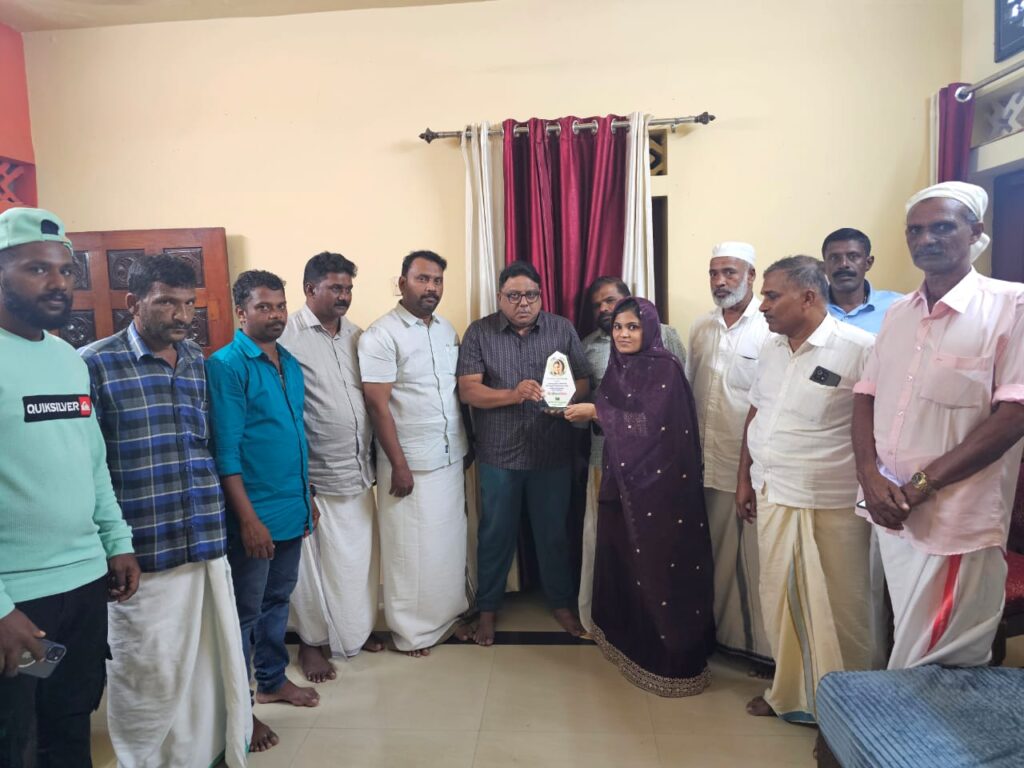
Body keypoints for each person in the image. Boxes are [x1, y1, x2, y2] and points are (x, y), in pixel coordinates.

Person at [81, 254, 250, 766]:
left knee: (205, 661)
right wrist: (111, 545)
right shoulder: (94, 365)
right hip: (142, 553)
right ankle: (146, 759)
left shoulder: (196, 360)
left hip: (202, 542)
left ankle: (204, 752)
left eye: (188, 304)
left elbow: (207, 444)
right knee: (148, 670)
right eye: (166, 303)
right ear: (134, 303)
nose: (181, 315)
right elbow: (86, 466)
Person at [853, 181, 1024, 669]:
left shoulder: (1010, 305)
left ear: (975, 232)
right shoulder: (899, 314)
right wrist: (869, 476)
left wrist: (921, 486)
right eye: (915, 230)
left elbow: (1014, 415)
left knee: (940, 661)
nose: (925, 239)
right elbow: (865, 396)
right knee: (907, 641)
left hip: (954, 518)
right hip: (891, 511)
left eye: (942, 227)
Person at [0, 207, 140, 767]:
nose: (58, 282)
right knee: (15, 739)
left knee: (68, 723)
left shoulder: (66, 358)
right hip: (18, 599)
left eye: (65, 270)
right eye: (37, 269)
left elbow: (92, 461)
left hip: (82, 587)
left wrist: (116, 540)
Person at [737, 256, 874, 724]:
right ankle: (789, 692)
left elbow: (878, 430)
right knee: (779, 598)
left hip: (829, 500)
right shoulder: (772, 347)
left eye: (772, 295)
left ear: (809, 297)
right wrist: (744, 479)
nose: (762, 305)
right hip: (772, 490)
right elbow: (756, 412)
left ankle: (848, 706)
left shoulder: (859, 349)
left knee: (838, 606)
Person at [565, 297, 715, 695]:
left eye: (632, 326)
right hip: (622, 482)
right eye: (618, 327)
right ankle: (628, 645)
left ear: (649, 329)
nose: (623, 334)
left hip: (663, 491)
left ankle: (669, 659)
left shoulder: (665, 367)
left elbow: (654, 424)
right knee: (624, 561)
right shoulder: (620, 366)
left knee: (659, 566)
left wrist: (597, 413)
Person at [207, 269, 319, 752]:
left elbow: (295, 435)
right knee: (245, 613)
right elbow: (226, 451)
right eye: (263, 307)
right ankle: (240, 707)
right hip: (253, 516)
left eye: (279, 306)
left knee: (278, 600)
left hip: (291, 505)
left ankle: (272, 680)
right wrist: (248, 520)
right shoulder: (226, 366)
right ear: (241, 312)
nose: (275, 315)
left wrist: (307, 495)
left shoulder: (288, 361)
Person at [457, 261, 591, 646]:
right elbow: (468, 390)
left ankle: (562, 603)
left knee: (553, 533)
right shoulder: (480, 332)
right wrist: (513, 394)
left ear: (540, 296)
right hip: (499, 454)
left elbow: (583, 379)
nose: (523, 303)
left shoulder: (561, 328)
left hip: (551, 451)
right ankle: (487, 608)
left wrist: (565, 399)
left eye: (531, 295)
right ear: (500, 297)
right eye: (514, 296)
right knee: (495, 533)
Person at [358, 250, 469, 656]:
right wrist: (399, 466)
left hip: (449, 455)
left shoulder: (445, 329)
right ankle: (411, 633)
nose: (431, 287)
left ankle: (446, 619)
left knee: (445, 546)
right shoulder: (381, 335)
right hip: (409, 464)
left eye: (437, 280)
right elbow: (377, 405)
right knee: (410, 551)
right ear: (402, 282)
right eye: (422, 279)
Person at [281, 251, 383, 682]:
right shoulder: (286, 336)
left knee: (354, 564)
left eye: (348, 288)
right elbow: (284, 412)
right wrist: (298, 480)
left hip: (357, 472)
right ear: (310, 289)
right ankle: (311, 642)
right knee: (313, 570)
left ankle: (351, 632)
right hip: (315, 476)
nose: (344, 296)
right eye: (335, 288)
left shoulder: (357, 335)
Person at [578, 276, 686, 632]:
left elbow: (669, 409)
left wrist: (596, 413)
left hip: (657, 470)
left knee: (651, 545)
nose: (606, 311)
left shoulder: (666, 345)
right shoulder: (592, 348)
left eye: (611, 301)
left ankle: (654, 628)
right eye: (599, 305)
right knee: (609, 542)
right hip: (606, 460)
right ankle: (608, 622)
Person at [685, 242, 773, 674]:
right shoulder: (702, 328)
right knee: (712, 557)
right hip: (704, 462)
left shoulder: (769, 327)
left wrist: (749, 473)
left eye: (730, 273)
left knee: (753, 561)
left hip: (748, 467)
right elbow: (688, 391)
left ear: (751, 276)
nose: (720, 282)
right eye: (714, 273)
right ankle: (718, 638)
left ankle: (760, 648)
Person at [823, 227, 903, 335]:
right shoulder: (808, 309)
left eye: (853, 256)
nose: (843, 264)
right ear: (824, 266)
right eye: (834, 258)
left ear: (868, 263)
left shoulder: (899, 307)